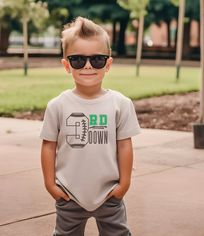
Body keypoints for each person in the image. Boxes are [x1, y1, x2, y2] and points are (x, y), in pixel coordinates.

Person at [40, 16, 140, 236]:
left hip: (109, 193)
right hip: (69, 193)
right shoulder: (57, 106)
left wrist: (124, 185)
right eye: (77, 60)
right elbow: (48, 146)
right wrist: (51, 185)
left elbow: (125, 146)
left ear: (108, 64)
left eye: (97, 59)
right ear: (66, 65)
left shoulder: (120, 104)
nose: (87, 66)